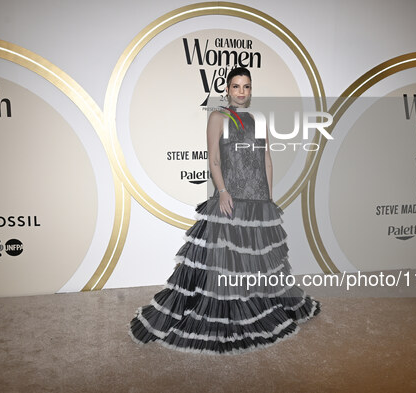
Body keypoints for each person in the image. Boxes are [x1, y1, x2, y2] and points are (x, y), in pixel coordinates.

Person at [129, 67, 320, 354]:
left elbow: (266, 158)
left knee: (259, 263)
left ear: (251, 89)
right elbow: (214, 159)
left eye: (246, 86)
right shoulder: (218, 117)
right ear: (227, 90)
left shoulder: (258, 119)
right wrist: (222, 192)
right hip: (230, 199)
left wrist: (268, 198)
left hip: (258, 201)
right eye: (236, 86)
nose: (241, 92)